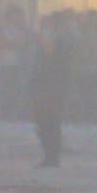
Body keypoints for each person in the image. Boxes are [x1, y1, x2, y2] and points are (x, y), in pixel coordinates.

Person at [29, 13, 69, 167]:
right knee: (42, 123)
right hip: (41, 89)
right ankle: (48, 155)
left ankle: (53, 156)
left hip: (53, 90)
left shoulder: (59, 44)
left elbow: (60, 67)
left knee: (51, 122)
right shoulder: (41, 46)